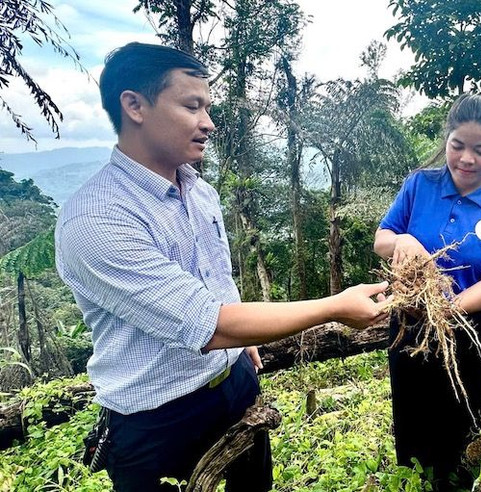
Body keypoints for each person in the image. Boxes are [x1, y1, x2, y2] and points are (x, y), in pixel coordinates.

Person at [54, 42, 389, 492]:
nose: (208, 123)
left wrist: (238, 349)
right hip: (158, 420)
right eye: (192, 106)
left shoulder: (201, 192)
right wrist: (334, 306)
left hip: (235, 386)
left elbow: (217, 281)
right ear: (134, 105)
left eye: (207, 107)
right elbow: (208, 324)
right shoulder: (97, 219)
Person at [374, 93, 481, 490]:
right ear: (446, 139)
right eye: (457, 146)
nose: (466, 159)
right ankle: (413, 481)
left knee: (460, 421)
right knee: (411, 418)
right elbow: (382, 239)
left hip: (468, 329)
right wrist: (403, 241)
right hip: (408, 323)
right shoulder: (419, 185)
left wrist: (446, 311)